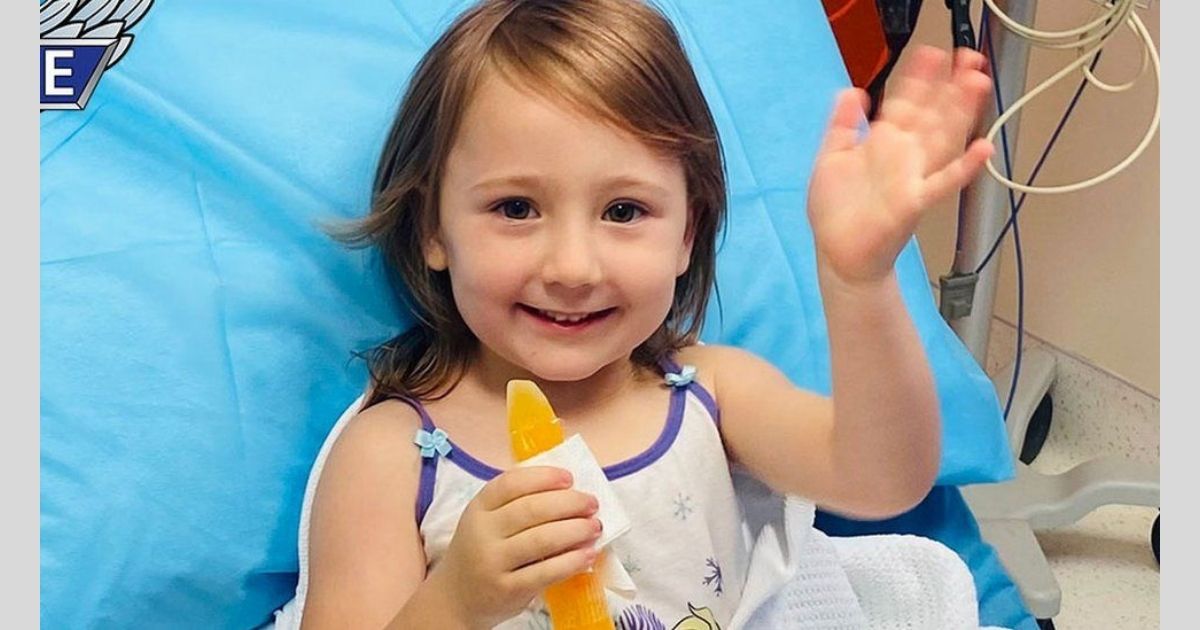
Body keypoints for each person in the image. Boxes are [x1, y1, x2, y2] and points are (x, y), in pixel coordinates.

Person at [300, 0, 994, 627]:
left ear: (687, 233)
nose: (572, 268)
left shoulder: (710, 394)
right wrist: (456, 601)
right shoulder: (392, 456)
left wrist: (860, 282)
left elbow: (884, 480)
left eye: (624, 211)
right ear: (432, 228)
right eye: (515, 208)